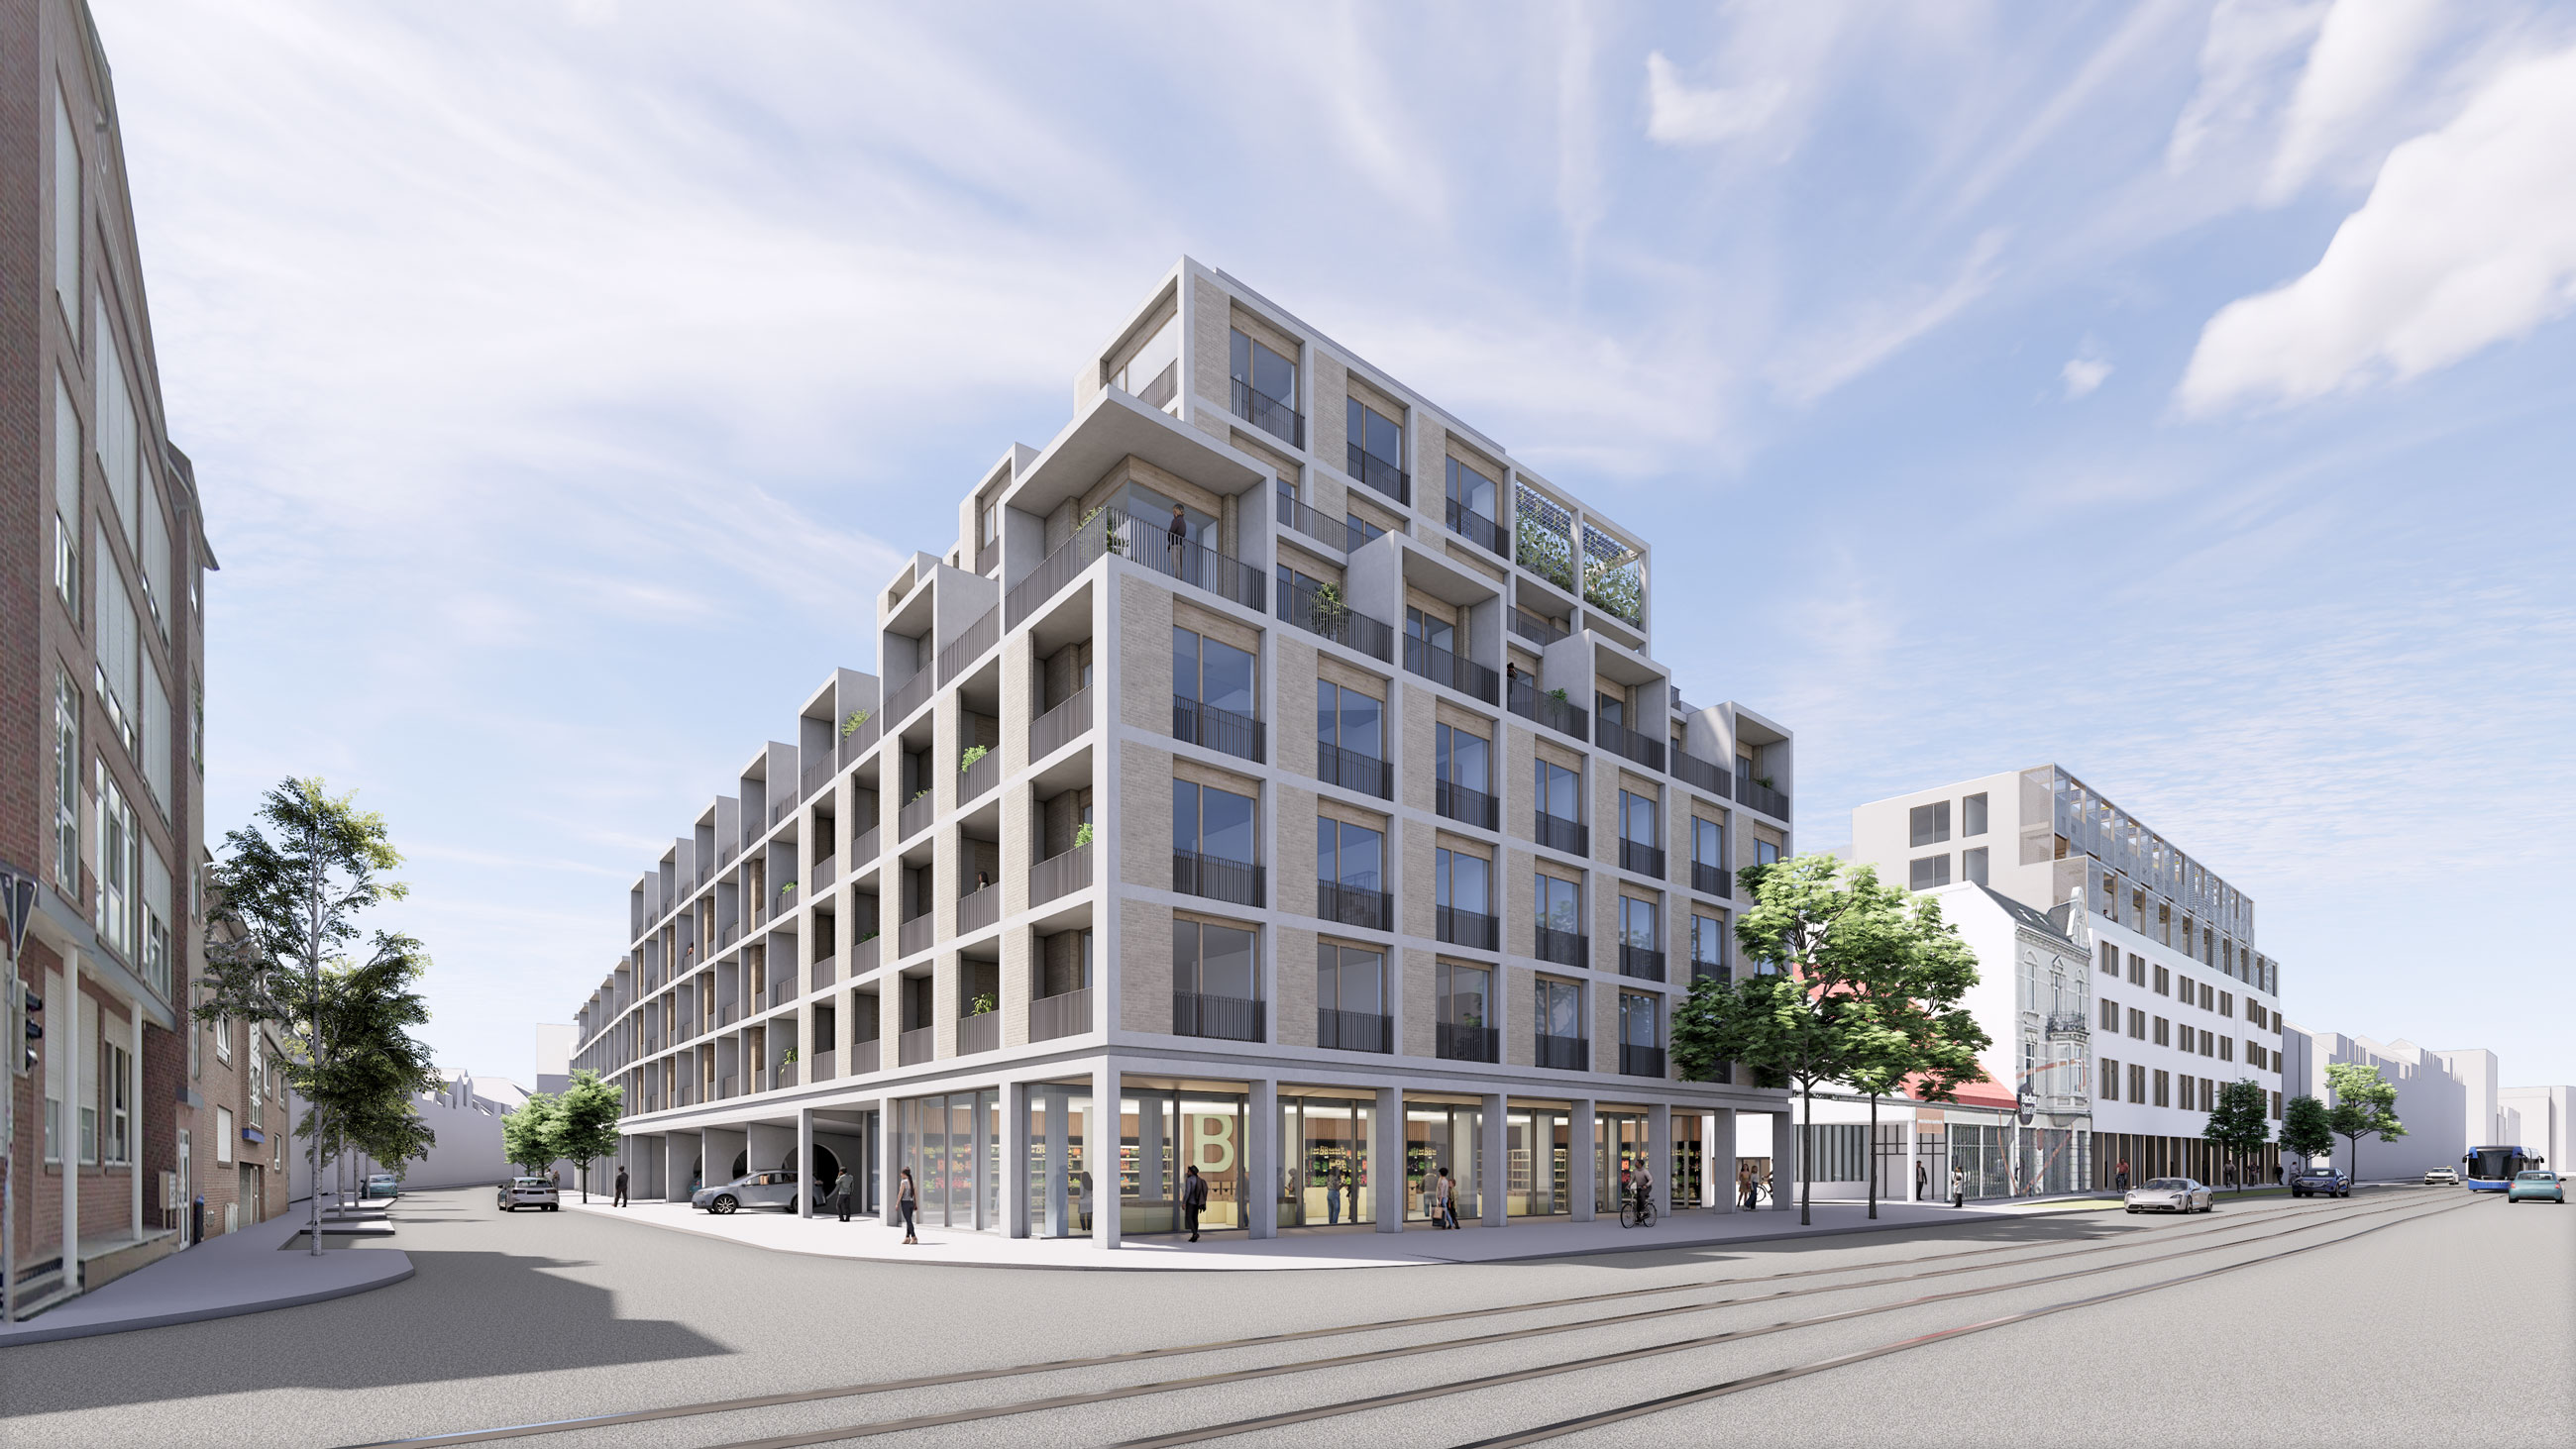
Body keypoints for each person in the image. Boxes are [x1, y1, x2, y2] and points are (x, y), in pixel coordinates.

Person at [1181, 1165, 1208, 1241]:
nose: (1187, 1172)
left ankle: (1195, 1234)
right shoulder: (1199, 1179)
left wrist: (1184, 1202)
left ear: (1192, 1172)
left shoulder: (1189, 1180)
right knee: (1195, 1218)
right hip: (1198, 1202)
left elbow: (1187, 1192)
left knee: (1188, 1217)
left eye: (1189, 1171)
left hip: (1191, 1202)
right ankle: (1194, 1236)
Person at [897, 1167, 918, 1244]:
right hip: (911, 1203)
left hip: (905, 1203)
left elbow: (900, 1194)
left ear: (904, 1174)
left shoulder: (903, 1182)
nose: (900, 1174)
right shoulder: (913, 1182)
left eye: (901, 1173)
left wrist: (897, 1203)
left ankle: (914, 1237)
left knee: (908, 1221)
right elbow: (915, 1194)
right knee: (908, 1220)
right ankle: (907, 1238)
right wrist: (916, 1203)